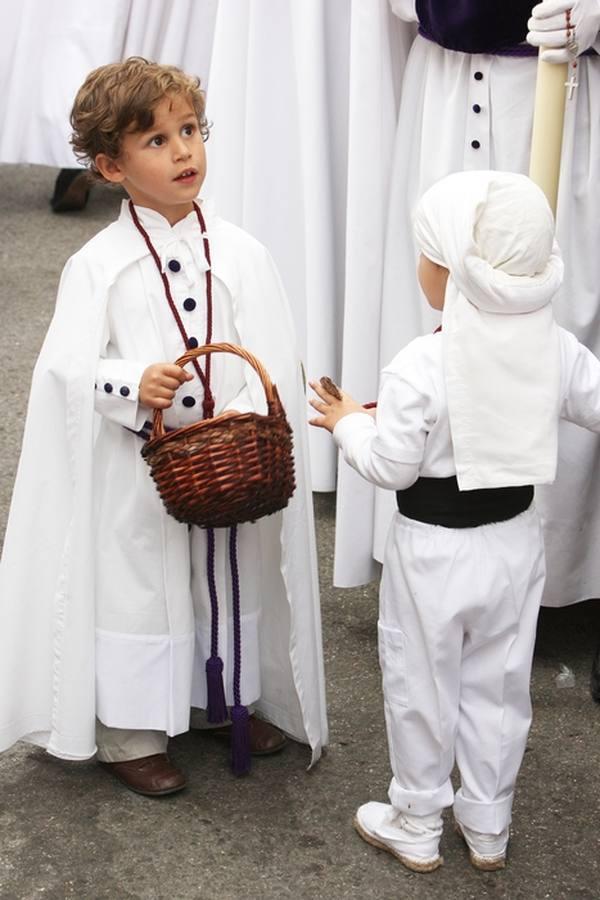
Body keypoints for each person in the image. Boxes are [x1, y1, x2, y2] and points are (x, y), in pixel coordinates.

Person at [0, 57, 327, 795]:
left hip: (230, 468)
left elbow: (273, 351)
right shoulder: (99, 265)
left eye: (190, 131)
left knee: (227, 577)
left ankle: (221, 700)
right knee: (140, 586)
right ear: (111, 166)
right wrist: (129, 384)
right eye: (157, 141)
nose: (184, 152)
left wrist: (243, 421)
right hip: (137, 474)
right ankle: (131, 730)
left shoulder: (242, 254)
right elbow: (63, 372)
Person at [310, 171, 600, 871]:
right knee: (498, 683)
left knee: (420, 679)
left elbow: (392, 467)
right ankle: (487, 822)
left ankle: (415, 817)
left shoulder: (421, 363)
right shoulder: (554, 347)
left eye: (426, 256)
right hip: (515, 544)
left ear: (453, 271)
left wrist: (347, 423)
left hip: (433, 551)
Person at [335, 0, 600, 629]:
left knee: (555, 294)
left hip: (556, 86)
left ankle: (557, 570)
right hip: (450, 90)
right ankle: (435, 539)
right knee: (433, 286)